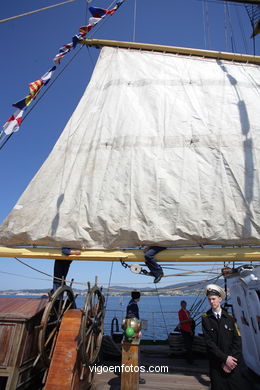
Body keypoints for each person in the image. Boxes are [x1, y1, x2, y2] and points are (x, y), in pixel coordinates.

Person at [202, 284, 247, 390]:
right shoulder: (206, 319)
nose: (211, 302)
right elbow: (209, 343)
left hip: (232, 364)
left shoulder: (230, 318)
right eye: (209, 299)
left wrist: (230, 361)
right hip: (217, 365)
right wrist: (224, 359)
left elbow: (237, 341)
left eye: (213, 299)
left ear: (220, 299)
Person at [126, 291, 145, 385]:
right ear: (138, 297)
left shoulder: (130, 303)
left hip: (129, 331)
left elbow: (129, 317)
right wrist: (138, 330)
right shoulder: (134, 305)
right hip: (134, 331)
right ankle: (137, 377)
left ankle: (132, 374)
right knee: (137, 355)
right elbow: (134, 318)